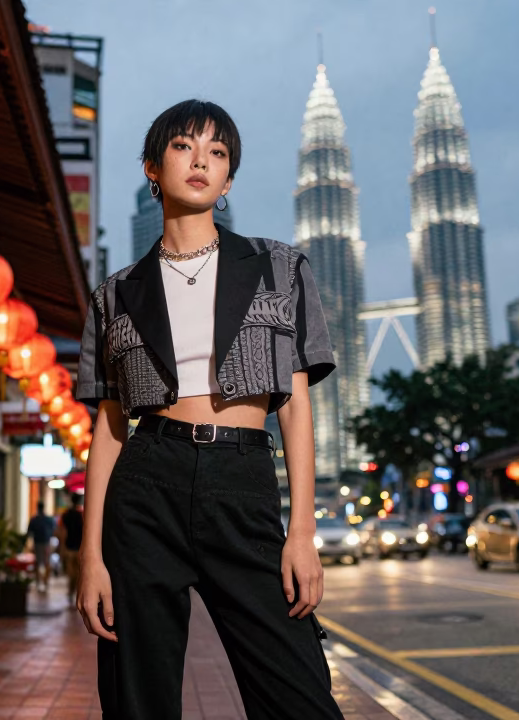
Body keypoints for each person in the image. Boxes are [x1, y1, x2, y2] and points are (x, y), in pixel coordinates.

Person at [74, 99, 344, 719]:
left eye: (217, 152)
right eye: (183, 147)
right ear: (152, 167)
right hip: (146, 487)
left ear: (228, 181)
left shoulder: (279, 267)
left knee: (299, 696)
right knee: (136, 698)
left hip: (243, 481)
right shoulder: (115, 294)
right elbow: (110, 429)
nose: (201, 160)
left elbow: (295, 407)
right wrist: (91, 557)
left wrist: (301, 531)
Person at [55, 493, 85, 608]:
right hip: (78, 548)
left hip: (68, 547)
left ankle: (71, 594)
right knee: (78, 574)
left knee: (71, 573)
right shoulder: (81, 515)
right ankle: (76, 594)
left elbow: (61, 531)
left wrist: (61, 547)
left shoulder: (66, 515)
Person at [26, 501, 55, 591]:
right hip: (46, 542)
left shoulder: (34, 519)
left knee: (38, 563)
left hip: (38, 543)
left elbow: (29, 533)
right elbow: (53, 530)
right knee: (46, 563)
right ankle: (45, 582)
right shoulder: (48, 519)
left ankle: (39, 582)